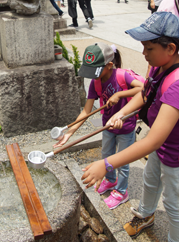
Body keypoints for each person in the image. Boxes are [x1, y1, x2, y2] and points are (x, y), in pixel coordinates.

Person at [81, 11, 179, 242]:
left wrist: (107, 164)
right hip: (165, 141)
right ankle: (145, 215)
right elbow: (145, 94)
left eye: (148, 48)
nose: (143, 54)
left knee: (174, 200)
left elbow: (151, 141)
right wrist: (122, 112)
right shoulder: (161, 65)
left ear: (170, 48)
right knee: (150, 179)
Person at [55, 42, 143, 209]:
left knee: (122, 161)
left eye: (95, 71)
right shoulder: (96, 83)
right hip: (108, 126)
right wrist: (69, 133)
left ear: (109, 65)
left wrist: (120, 94)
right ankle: (110, 180)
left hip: (126, 127)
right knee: (106, 155)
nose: (92, 76)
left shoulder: (122, 76)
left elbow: (143, 89)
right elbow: (85, 112)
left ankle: (122, 191)